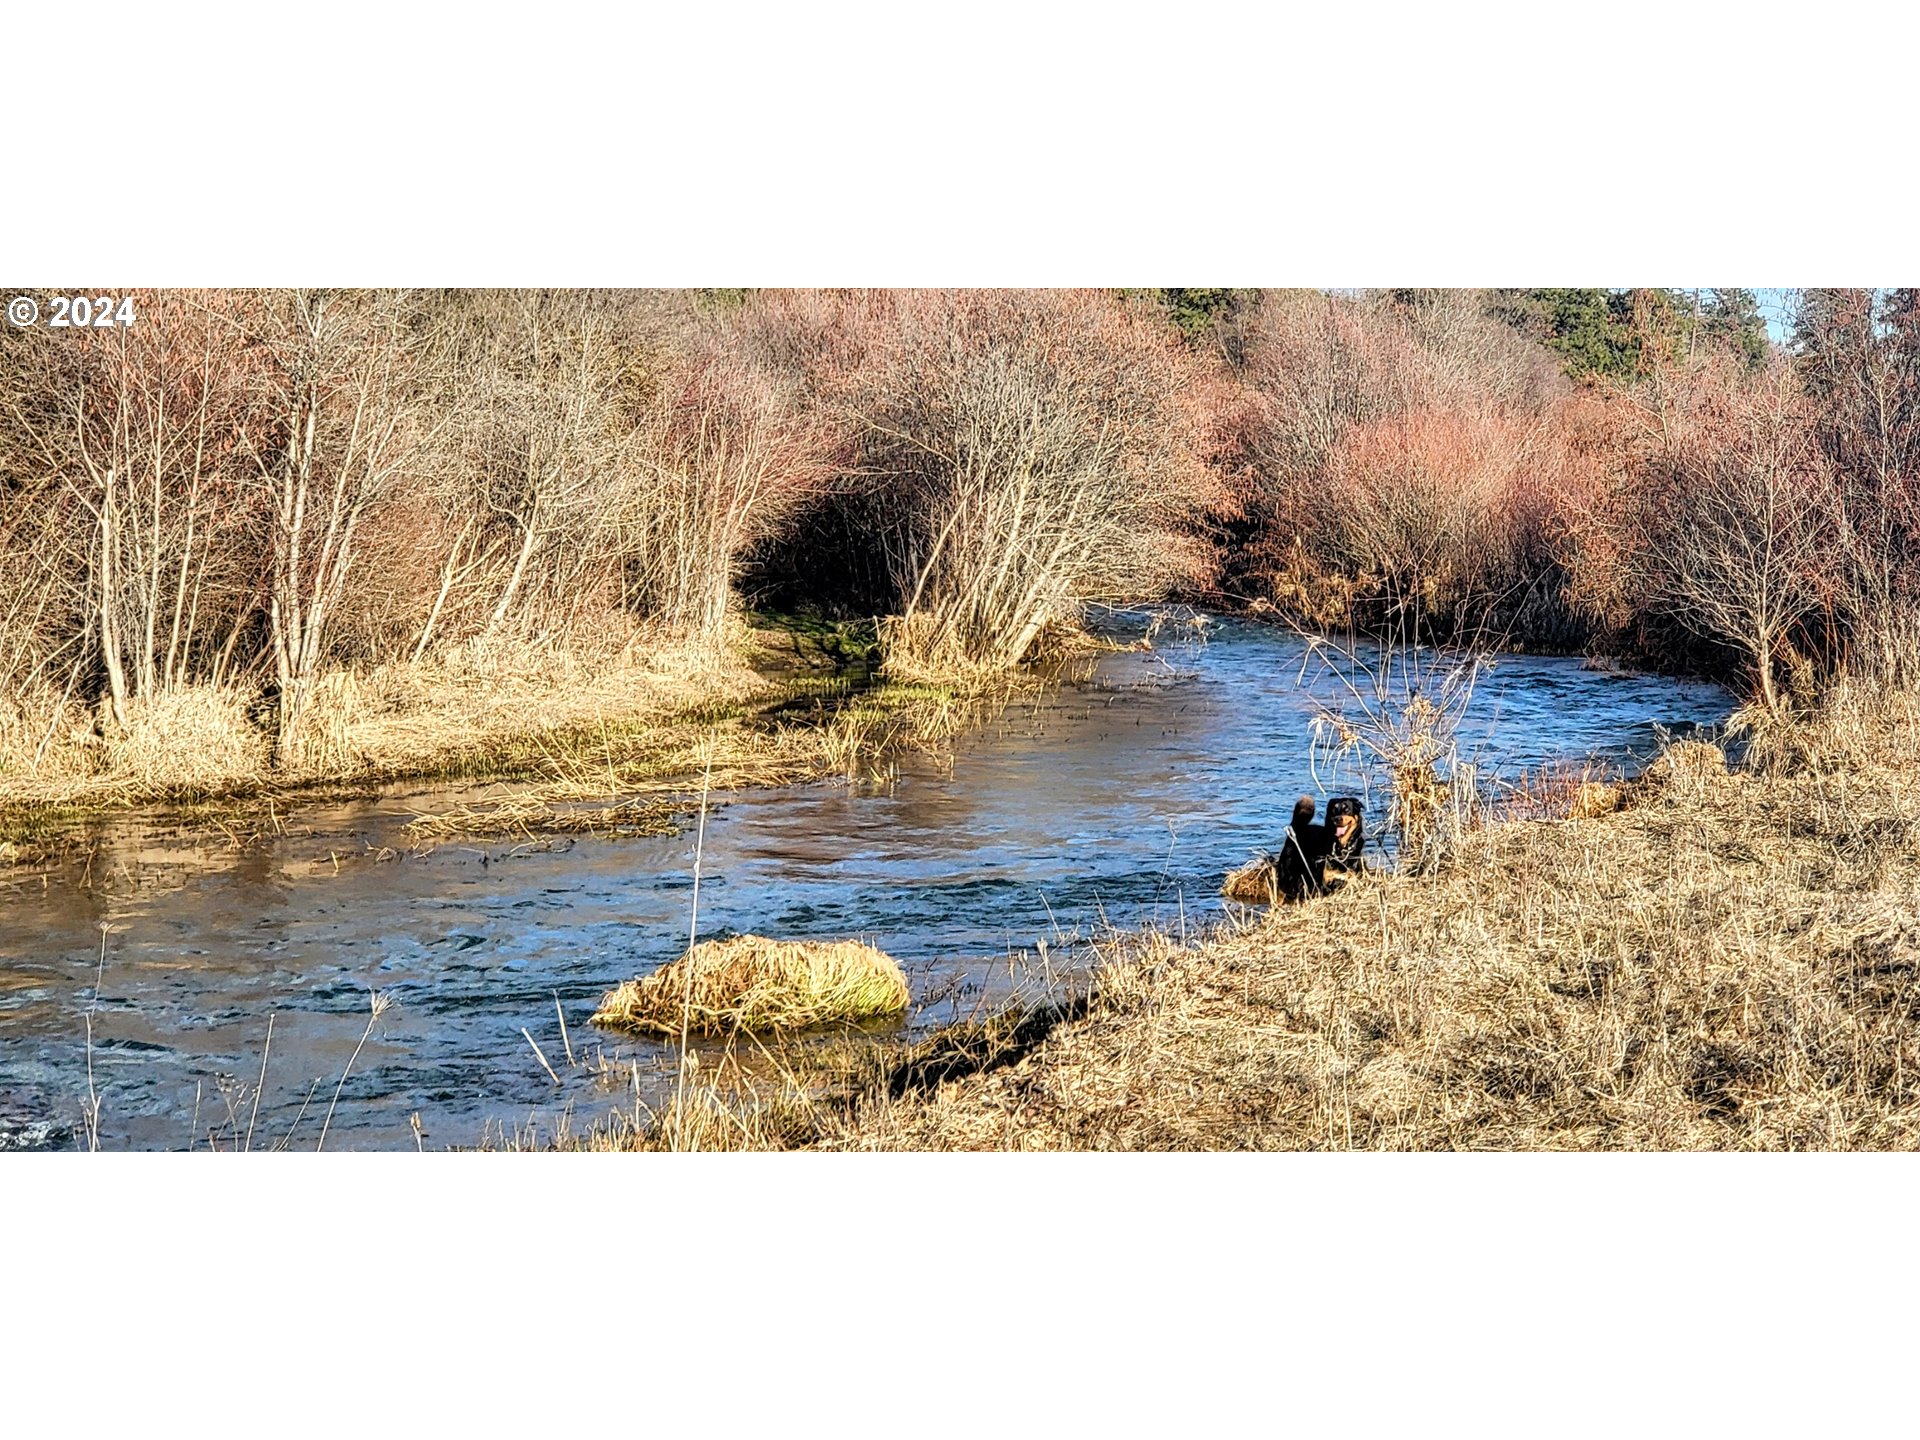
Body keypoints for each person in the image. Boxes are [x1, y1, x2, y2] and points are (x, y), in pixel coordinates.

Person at [1273, 794, 1329, 901]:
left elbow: (1285, 862)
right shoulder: (1322, 832)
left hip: (1293, 884)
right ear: (1313, 812)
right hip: (1315, 884)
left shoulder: (1294, 835)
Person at [1322, 796, 1365, 885]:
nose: (1339, 816)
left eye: (1347, 811)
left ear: (1356, 817)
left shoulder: (1358, 847)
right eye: (1335, 811)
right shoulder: (1325, 845)